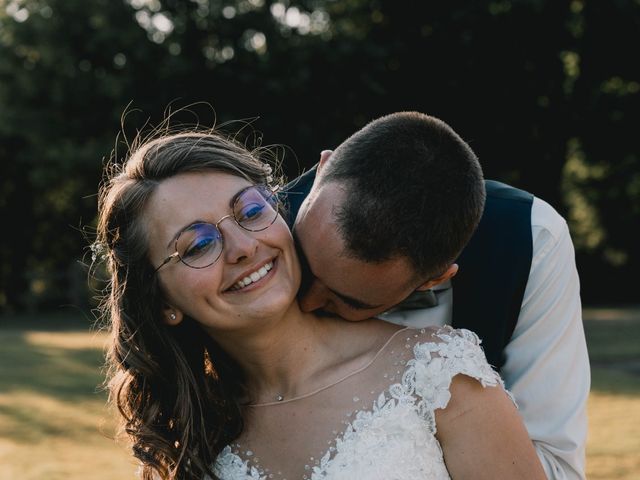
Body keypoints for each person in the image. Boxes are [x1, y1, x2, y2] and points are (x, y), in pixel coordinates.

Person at [92, 128, 547, 480]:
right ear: (162, 302)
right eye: (197, 246)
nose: (243, 247)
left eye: (250, 211)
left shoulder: (438, 373)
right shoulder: (187, 436)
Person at [286, 111, 589, 479]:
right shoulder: (258, 228)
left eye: (347, 301)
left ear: (434, 279)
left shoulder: (530, 241)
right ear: (324, 167)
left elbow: (556, 465)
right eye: (303, 260)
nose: (304, 303)